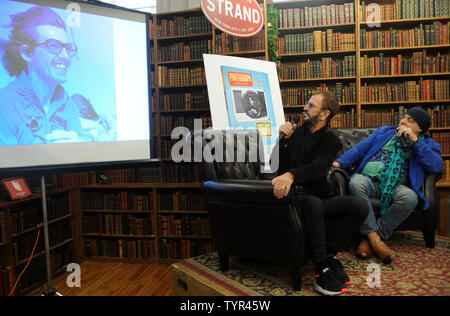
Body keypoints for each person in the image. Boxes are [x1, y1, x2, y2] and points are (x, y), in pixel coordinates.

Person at [271, 91, 369, 296]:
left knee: (359, 206)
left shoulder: (331, 140)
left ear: (324, 114)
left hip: (318, 194)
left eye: (311, 105)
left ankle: (331, 253)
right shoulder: (296, 133)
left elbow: (318, 168)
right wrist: (282, 142)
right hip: (296, 196)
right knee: (313, 204)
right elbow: (277, 167)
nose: (305, 108)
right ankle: (320, 269)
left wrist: (291, 174)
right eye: (306, 104)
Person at [332, 106, 443, 264]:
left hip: (397, 186)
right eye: (404, 117)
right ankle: (375, 241)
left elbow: (436, 166)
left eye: (409, 120)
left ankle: (371, 238)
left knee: (410, 198)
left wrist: (415, 142)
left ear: (420, 128)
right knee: (355, 182)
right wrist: (339, 163)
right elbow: (360, 149)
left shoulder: (427, 144)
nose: (403, 121)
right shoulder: (385, 132)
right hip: (369, 179)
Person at [0, 5, 90, 145]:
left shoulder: (66, 103)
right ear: (27, 53)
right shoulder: (4, 105)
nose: (65, 56)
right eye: (53, 46)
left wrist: (79, 146)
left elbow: (80, 143)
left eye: (68, 48)